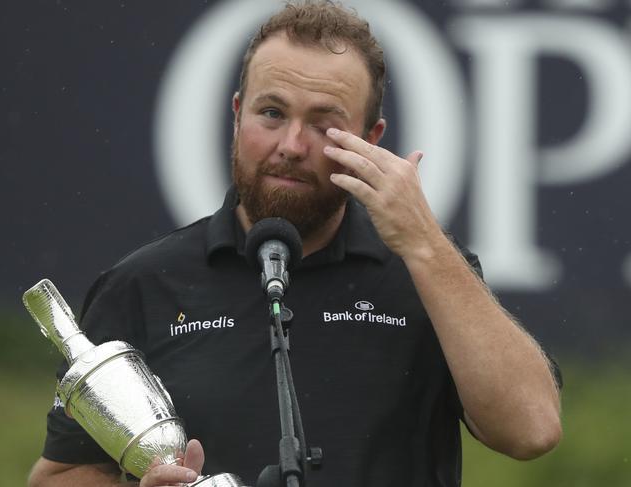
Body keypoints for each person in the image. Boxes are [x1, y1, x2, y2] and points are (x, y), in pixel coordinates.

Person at [28, 1, 562, 486]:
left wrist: (424, 242)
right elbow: (61, 474)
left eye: (324, 123)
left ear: (369, 140)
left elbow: (530, 431)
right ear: (237, 114)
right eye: (272, 113)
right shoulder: (144, 284)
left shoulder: (426, 271)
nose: (291, 145)